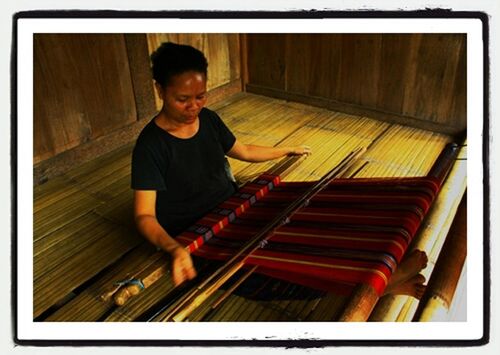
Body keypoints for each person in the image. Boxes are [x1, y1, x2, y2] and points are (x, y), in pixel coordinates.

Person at [131, 42, 311, 287]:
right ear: (160, 90)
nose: (193, 106)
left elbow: (244, 150)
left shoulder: (209, 119)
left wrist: (285, 150)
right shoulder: (150, 146)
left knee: (299, 230)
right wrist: (175, 249)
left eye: (200, 96)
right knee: (270, 278)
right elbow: (144, 215)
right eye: (182, 99)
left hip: (234, 209)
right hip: (198, 233)